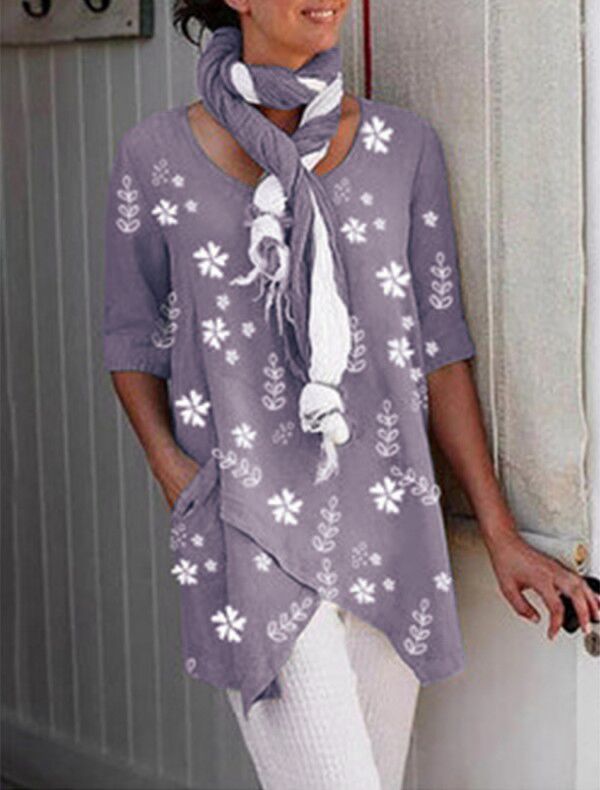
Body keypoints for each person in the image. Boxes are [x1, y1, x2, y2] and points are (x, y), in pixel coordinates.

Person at [102, 1, 600, 788]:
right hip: (249, 521)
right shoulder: (155, 156)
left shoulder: (404, 147)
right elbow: (132, 337)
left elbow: (440, 349)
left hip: (388, 520)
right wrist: (171, 469)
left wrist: (500, 532)